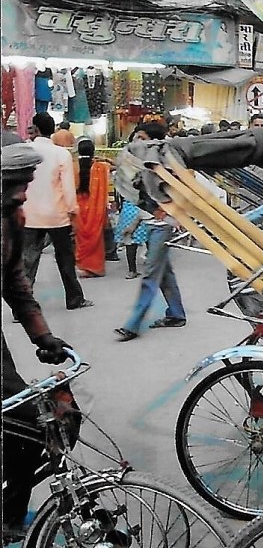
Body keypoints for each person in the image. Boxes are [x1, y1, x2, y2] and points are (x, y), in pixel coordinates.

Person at [1, 143, 75, 540]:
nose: (23, 193)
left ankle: (10, 515)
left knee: (33, 422)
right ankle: (10, 520)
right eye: (14, 184)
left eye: (26, 183)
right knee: (27, 423)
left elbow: (14, 281)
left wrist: (42, 336)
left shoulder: (12, 218)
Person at [114, 123, 187, 341]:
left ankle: (133, 325)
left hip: (163, 225)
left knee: (150, 275)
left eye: (141, 137)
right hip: (153, 223)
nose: (137, 141)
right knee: (164, 273)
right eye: (136, 137)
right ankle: (176, 313)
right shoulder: (144, 164)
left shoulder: (163, 166)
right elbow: (142, 200)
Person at [20, 113, 92, 310]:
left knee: (28, 260)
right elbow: (68, 187)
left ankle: (23, 307)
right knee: (65, 258)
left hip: (30, 213)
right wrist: (72, 210)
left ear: (35, 128)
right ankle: (74, 299)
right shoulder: (61, 154)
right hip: (57, 214)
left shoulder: (25, 151)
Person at [73, 138, 111, 278]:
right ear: (93, 150)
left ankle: (82, 265)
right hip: (95, 208)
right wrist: (104, 158)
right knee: (96, 237)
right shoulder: (100, 167)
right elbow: (116, 166)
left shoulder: (74, 167)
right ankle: (94, 267)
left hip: (79, 207)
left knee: (80, 237)